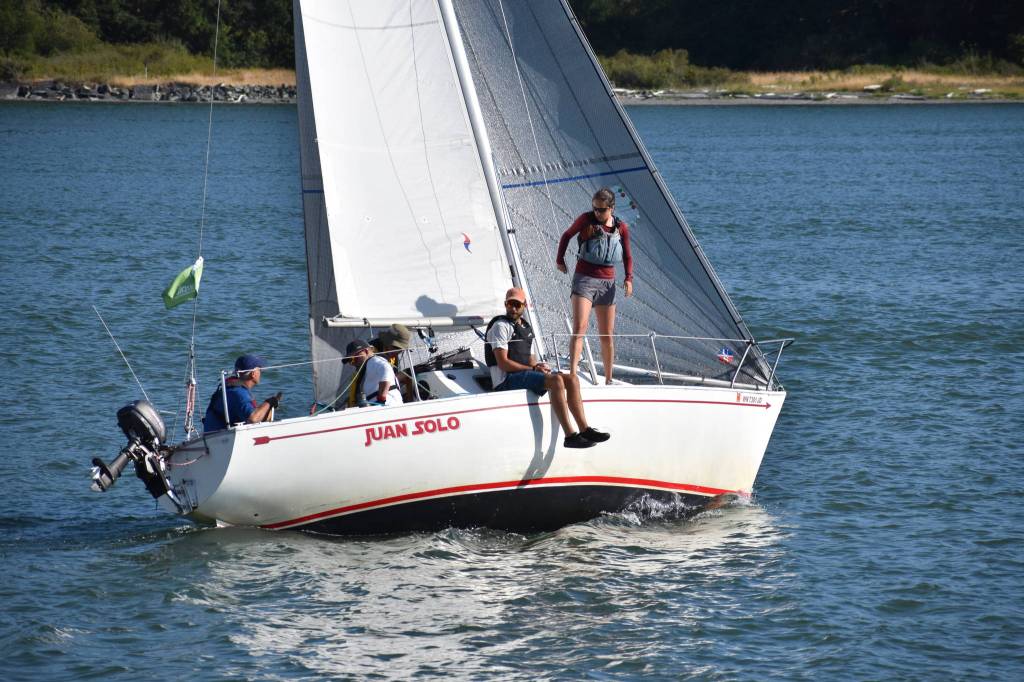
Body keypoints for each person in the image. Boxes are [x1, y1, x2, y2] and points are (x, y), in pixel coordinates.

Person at [485, 287, 610, 449]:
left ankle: (584, 429)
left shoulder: (525, 327)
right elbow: (503, 363)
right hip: (505, 380)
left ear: (524, 305)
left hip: (522, 374)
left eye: (517, 304)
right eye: (510, 304)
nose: (513, 308)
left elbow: (529, 358)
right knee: (556, 380)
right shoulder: (501, 326)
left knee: (572, 378)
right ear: (505, 304)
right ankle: (570, 436)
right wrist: (533, 369)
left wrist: (537, 365)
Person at [556, 187, 634, 383]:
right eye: (595, 209)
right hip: (584, 280)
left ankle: (608, 380)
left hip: (608, 284)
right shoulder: (585, 219)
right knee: (579, 327)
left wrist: (628, 278)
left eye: (601, 209)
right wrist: (560, 260)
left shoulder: (621, 227)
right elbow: (566, 235)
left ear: (612, 208)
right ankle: (572, 377)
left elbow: (627, 255)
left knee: (606, 334)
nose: (597, 213)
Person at [202, 354, 282, 432]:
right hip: (219, 439)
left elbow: (255, 419)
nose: (261, 372)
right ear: (253, 374)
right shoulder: (238, 393)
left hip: (214, 436)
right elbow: (253, 419)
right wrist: (270, 402)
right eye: (259, 369)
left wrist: (269, 407)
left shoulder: (231, 388)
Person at [345, 338, 404, 407]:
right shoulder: (368, 366)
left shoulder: (374, 360)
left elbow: (386, 369)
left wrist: (381, 399)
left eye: (354, 359)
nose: (352, 363)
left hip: (387, 405)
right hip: (381, 406)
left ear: (366, 352)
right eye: (350, 361)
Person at [370, 323, 415, 401]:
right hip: (373, 394)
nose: (398, 351)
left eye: (401, 349)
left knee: (407, 376)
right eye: (396, 347)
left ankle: (410, 402)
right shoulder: (370, 351)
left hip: (389, 392)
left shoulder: (392, 352)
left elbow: (393, 374)